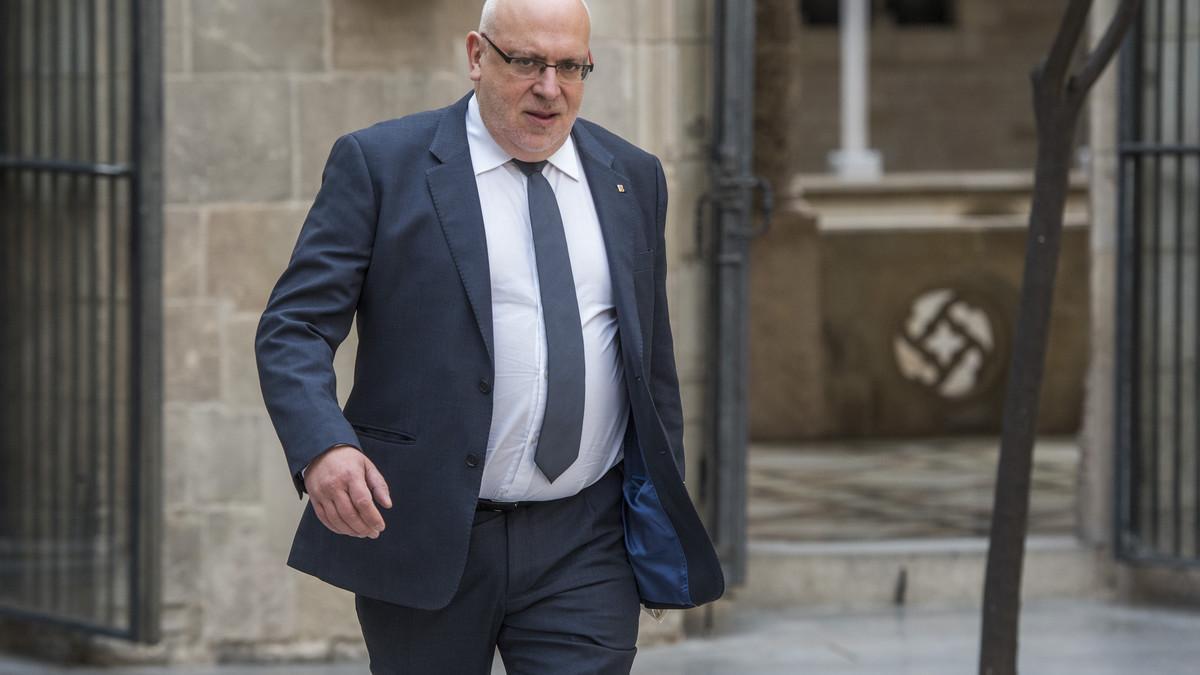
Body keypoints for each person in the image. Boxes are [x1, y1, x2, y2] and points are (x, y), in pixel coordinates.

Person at [255, 0, 723, 672]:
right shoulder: (382, 165)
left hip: (584, 539)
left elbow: (650, 365)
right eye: (527, 61)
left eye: (570, 66)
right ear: (477, 56)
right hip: (427, 526)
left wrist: (658, 505)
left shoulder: (632, 177)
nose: (550, 88)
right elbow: (293, 327)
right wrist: (321, 446)